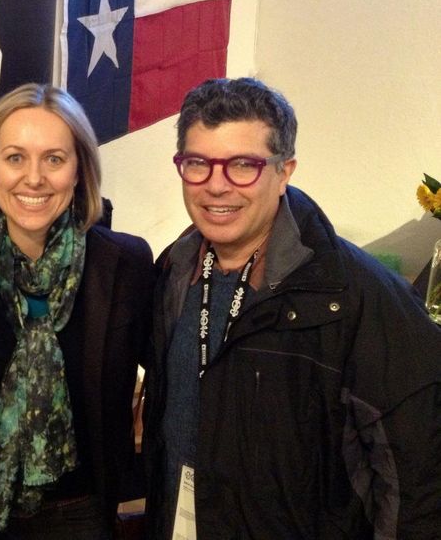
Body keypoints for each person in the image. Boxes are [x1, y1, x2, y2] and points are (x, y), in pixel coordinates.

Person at [143, 77, 441, 539]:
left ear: (284, 172)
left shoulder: (358, 296)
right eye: (198, 163)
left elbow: (416, 481)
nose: (216, 187)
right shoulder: (174, 270)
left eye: (243, 165)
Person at [0, 84, 155, 539]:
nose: (34, 178)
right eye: (14, 158)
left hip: (83, 510)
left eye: (54, 158)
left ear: (79, 171)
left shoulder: (125, 264)